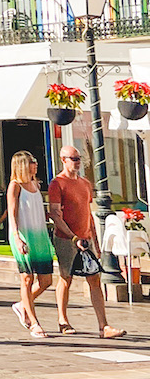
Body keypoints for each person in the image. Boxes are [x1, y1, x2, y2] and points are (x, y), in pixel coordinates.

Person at [48, 145, 126, 339]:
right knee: (66, 278)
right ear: (63, 159)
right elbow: (56, 215)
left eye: (79, 158)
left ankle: (104, 326)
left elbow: (88, 213)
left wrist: (95, 241)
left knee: (95, 279)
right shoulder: (57, 183)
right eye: (73, 159)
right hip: (66, 238)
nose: (77, 162)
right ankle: (63, 320)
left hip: (86, 237)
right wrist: (73, 237)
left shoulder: (84, 183)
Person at [8, 150, 54, 339]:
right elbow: (12, 213)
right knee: (27, 278)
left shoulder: (35, 184)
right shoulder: (15, 186)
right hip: (24, 235)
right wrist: (17, 237)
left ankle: (22, 305)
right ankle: (34, 322)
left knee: (46, 280)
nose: (35, 164)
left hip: (40, 235)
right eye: (31, 162)